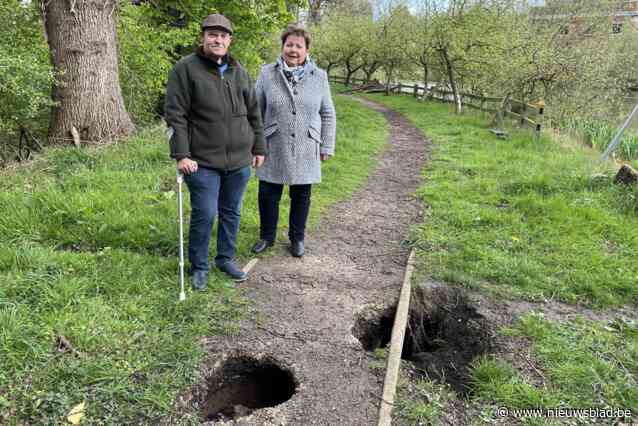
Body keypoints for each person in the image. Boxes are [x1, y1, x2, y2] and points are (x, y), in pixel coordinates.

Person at [165, 13, 265, 290]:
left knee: (231, 212)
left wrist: (259, 146)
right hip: (201, 161)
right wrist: (181, 155)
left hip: (239, 159)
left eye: (223, 35)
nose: (217, 39)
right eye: (212, 34)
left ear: (229, 40)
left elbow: (254, 113)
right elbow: (176, 116)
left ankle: (225, 258)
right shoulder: (185, 69)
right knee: (206, 213)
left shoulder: (240, 72)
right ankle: (199, 266)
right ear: (203, 38)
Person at [251, 24, 336, 258]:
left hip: (307, 145)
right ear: (282, 47)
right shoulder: (267, 73)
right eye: (289, 45)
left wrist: (327, 144)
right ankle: (266, 236)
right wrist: (255, 144)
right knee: (268, 192)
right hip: (273, 144)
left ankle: (297, 238)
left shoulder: (319, 77)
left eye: (299, 46)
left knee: (301, 195)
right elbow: (256, 111)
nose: (293, 50)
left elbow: (327, 112)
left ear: (307, 50)